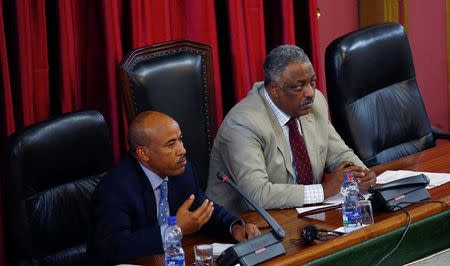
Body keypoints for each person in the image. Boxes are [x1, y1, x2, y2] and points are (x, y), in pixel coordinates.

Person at [206, 45, 376, 215]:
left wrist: (362, 174)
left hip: (303, 215)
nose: (310, 93)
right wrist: (324, 190)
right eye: (298, 86)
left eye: (312, 82)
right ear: (275, 90)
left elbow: (339, 155)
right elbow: (256, 194)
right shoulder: (243, 123)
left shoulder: (314, 105)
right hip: (245, 227)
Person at [88, 111, 260, 265]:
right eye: (171, 144)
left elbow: (202, 209)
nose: (182, 150)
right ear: (143, 153)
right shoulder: (116, 188)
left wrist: (235, 226)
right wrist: (174, 230)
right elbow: (114, 247)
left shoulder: (182, 172)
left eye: (180, 139)